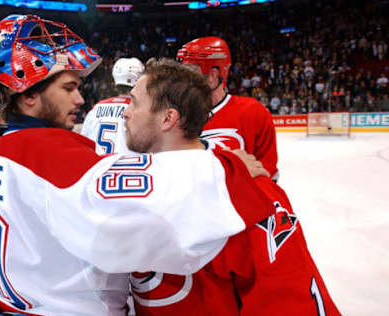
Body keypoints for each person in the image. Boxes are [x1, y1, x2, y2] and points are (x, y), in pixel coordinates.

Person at [0, 15, 274, 316]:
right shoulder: (46, 152)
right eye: (68, 88)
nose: (79, 100)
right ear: (28, 95)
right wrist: (225, 168)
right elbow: (142, 205)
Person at [123, 58, 341, 316]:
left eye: (134, 103)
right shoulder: (131, 184)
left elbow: (290, 303)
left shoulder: (249, 192)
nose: (125, 111)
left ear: (168, 118)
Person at [177, 37, 280, 180]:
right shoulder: (173, 115)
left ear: (213, 75)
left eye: (191, 71)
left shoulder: (253, 113)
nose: (182, 79)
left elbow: (268, 177)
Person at [80, 57, 144, 154]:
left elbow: (83, 143)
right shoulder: (142, 110)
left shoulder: (96, 108)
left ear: (114, 83)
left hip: (99, 166)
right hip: (129, 167)